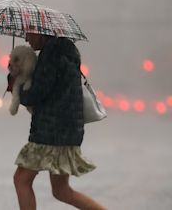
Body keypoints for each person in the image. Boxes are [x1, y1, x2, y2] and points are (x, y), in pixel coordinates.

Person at [12, 33, 106, 210]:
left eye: (29, 32)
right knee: (61, 190)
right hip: (66, 132)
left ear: (40, 32)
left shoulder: (51, 54)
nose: (26, 38)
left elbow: (37, 93)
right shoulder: (65, 50)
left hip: (51, 133)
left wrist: (15, 86)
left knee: (21, 180)